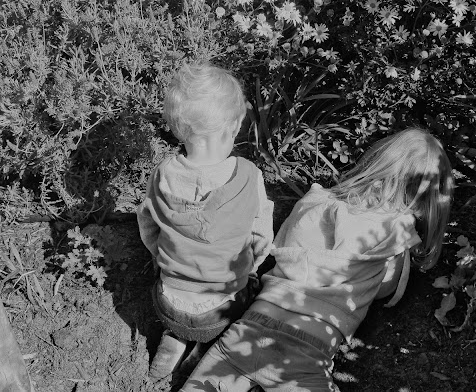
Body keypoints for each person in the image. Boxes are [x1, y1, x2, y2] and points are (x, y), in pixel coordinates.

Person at [180, 128, 454, 392]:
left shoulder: (315, 201)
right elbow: (385, 290)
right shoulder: (393, 232)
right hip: (307, 349)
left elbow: (282, 244)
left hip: (249, 328)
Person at [137, 61, 274, 380]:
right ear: (236, 124)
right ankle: (207, 349)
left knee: (181, 298)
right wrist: (252, 266)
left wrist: (162, 256)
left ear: (176, 128)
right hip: (220, 307)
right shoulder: (247, 177)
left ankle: (173, 338)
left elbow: (148, 226)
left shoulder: (162, 175)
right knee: (248, 289)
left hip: (169, 301)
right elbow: (261, 236)